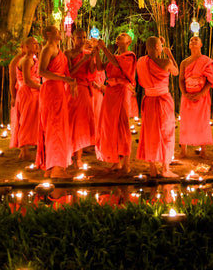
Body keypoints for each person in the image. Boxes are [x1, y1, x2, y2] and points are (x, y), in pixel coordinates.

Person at [35, 25, 75, 179]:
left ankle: (52, 166)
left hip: (59, 90)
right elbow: (41, 72)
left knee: (58, 125)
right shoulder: (48, 49)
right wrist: (63, 78)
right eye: (57, 31)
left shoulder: (58, 49)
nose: (60, 33)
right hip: (51, 89)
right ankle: (56, 168)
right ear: (48, 33)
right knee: (54, 126)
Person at [136, 36, 179, 178]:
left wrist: (160, 45)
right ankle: (165, 168)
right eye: (160, 46)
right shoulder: (166, 62)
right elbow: (176, 72)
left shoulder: (140, 62)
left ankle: (152, 168)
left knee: (150, 134)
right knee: (166, 133)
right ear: (156, 47)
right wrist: (169, 53)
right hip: (163, 100)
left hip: (148, 100)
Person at [96, 33, 136, 173]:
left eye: (123, 35)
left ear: (129, 41)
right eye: (118, 36)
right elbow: (101, 67)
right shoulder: (114, 55)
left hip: (122, 91)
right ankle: (115, 160)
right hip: (111, 92)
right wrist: (96, 52)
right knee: (110, 125)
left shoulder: (129, 56)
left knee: (123, 125)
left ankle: (126, 162)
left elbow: (115, 63)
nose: (119, 36)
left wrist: (104, 48)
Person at [178, 36, 213, 158]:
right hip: (187, 95)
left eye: (196, 40)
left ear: (201, 44)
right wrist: (184, 93)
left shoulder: (206, 61)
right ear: (189, 45)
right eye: (191, 40)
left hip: (202, 95)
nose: (193, 41)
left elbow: (211, 80)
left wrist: (201, 93)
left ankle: (203, 150)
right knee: (185, 121)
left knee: (202, 121)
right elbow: (181, 79)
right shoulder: (184, 62)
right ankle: (183, 150)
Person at [65, 29, 97, 168]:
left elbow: (91, 71)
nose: (82, 40)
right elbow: (69, 73)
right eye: (79, 37)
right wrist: (81, 61)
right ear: (73, 38)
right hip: (72, 88)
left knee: (82, 123)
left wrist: (93, 57)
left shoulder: (88, 54)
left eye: (84, 37)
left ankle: (79, 157)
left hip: (84, 89)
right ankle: (68, 154)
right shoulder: (68, 53)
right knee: (71, 122)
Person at [10, 36, 41, 160]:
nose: (36, 46)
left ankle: (29, 146)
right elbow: (27, 80)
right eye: (33, 44)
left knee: (33, 119)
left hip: (33, 91)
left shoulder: (33, 59)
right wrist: (41, 87)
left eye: (37, 43)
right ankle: (24, 150)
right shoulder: (26, 60)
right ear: (25, 46)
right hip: (27, 91)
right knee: (26, 120)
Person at [8, 42, 26, 148]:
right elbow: (12, 80)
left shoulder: (34, 59)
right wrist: (13, 96)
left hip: (33, 92)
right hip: (21, 92)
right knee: (22, 119)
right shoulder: (16, 61)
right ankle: (22, 144)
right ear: (23, 47)